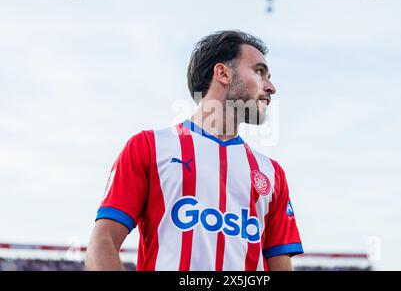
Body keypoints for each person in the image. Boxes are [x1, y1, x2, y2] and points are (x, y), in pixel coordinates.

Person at [85, 30, 303, 271]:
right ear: (223, 73)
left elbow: (280, 266)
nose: (271, 87)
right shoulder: (149, 147)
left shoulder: (272, 173)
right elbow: (102, 243)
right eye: (259, 72)